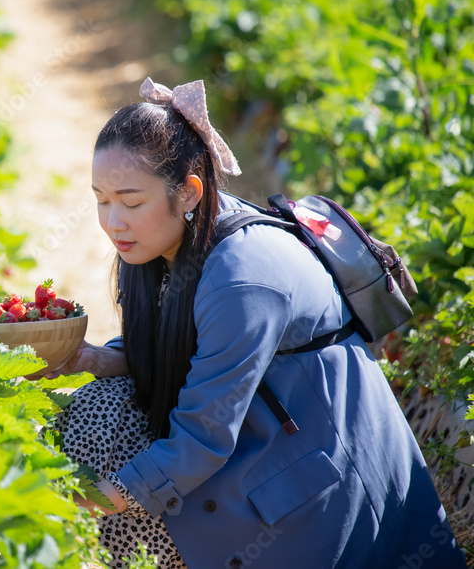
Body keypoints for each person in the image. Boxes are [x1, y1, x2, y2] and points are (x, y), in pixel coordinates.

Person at [47, 78, 466, 568]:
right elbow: (183, 349)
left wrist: (86, 502)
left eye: (131, 201)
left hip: (319, 502)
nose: (113, 221)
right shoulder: (183, 238)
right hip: (262, 449)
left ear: (188, 192)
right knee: (94, 410)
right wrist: (95, 359)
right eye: (101, 200)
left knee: (114, 503)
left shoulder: (242, 280)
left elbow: (201, 439)